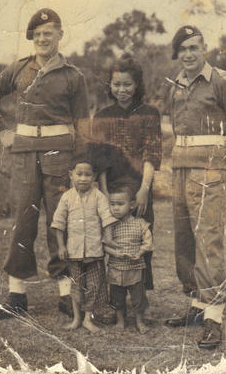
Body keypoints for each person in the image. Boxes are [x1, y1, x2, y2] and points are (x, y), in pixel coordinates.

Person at [0, 8, 89, 318]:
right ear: (33, 38)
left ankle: (66, 295)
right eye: (38, 34)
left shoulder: (73, 75)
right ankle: (17, 295)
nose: (43, 38)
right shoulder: (18, 70)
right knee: (22, 223)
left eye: (49, 33)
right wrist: (2, 132)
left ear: (60, 35)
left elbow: (83, 123)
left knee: (61, 222)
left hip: (60, 155)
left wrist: (81, 165)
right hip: (24, 154)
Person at [165, 25, 226, 349]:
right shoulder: (175, 85)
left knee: (209, 243)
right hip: (180, 169)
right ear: (177, 54)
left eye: (194, 47)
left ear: (204, 47)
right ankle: (196, 306)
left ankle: (214, 319)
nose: (188, 54)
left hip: (210, 171)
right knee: (184, 242)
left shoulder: (220, 81)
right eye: (183, 49)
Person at [91, 55, 161, 291]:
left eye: (128, 84)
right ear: (110, 85)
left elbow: (151, 154)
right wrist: (104, 194)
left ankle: (139, 298)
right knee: (111, 240)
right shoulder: (102, 117)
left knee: (140, 238)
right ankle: (115, 297)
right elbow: (99, 160)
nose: (122, 90)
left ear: (137, 85)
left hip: (140, 188)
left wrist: (144, 190)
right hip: (111, 189)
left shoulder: (149, 113)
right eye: (117, 84)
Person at [51, 156, 117, 333]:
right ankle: (76, 319)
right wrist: (61, 246)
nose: (83, 178)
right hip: (73, 251)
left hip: (94, 251)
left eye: (88, 175)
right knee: (76, 286)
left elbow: (106, 218)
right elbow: (58, 223)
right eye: (79, 174)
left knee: (94, 286)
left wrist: (108, 238)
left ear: (94, 177)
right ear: (71, 175)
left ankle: (88, 318)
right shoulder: (66, 197)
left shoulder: (99, 197)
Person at [104, 185, 153, 333]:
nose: (116, 208)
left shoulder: (140, 224)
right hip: (116, 268)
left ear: (131, 205)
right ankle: (120, 320)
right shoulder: (109, 226)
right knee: (116, 297)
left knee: (138, 297)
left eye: (120, 204)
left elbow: (148, 242)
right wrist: (115, 253)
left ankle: (139, 321)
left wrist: (140, 253)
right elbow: (103, 244)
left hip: (135, 268)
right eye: (112, 204)